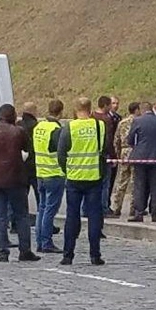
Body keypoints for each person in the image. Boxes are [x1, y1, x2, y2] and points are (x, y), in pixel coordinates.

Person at [0, 104, 39, 263]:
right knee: (21, 215)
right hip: (16, 178)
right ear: (12, 115)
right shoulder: (18, 132)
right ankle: (25, 250)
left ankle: (2, 251)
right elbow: (28, 149)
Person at [58, 97, 107, 265]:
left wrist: (67, 170)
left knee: (72, 216)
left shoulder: (69, 127)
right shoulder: (99, 126)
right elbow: (103, 149)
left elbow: (61, 154)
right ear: (90, 109)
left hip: (74, 178)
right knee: (94, 217)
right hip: (94, 176)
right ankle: (95, 255)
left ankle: (68, 255)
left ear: (75, 109)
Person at [127, 101, 156, 223]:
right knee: (155, 186)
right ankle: (155, 213)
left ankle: (139, 212)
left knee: (139, 185)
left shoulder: (137, 121)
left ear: (141, 110)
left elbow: (130, 139)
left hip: (140, 157)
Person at [33, 99, 66, 253]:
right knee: (49, 210)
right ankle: (46, 241)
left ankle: (39, 241)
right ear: (61, 112)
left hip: (40, 172)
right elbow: (60, 151)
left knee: (42, 208)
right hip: (54, 173)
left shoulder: (39, 126)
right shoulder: (56, 129)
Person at [111, 102, 141, 217]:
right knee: (134, 182)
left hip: (124, 152)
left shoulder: (122, 122)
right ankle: (133, 208)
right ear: (136, 110)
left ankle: (117, 206)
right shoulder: (139, 122)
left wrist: (118, 154)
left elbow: (116, 140)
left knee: (121, 182)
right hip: (135, 152)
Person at [19, 102, 40, 205]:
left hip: (22, 165)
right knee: (39, 196)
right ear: (33, 111)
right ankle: (40, 214)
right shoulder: (36, 126)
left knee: (22, 197)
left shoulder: (18, 125)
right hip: (34, 165)